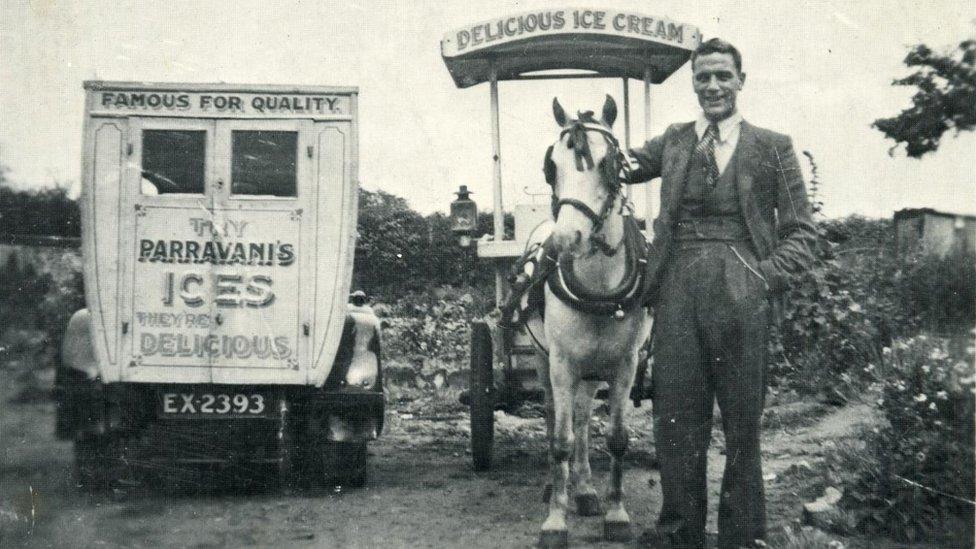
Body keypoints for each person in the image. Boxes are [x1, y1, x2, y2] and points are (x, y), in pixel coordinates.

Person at [627, 38, 817, 548]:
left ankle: (741, 535)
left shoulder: (771, 146)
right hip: (678, 290)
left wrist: (763, 277)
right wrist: (583, 141)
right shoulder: (673, 140)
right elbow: (616, 166)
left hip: (742, 291)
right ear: (692, 83)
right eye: (702, 77)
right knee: (676, 421)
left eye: (722, 76)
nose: (712, 86)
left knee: (741, 424)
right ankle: (679, 531)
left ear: (740, 81)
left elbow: (803, 232)